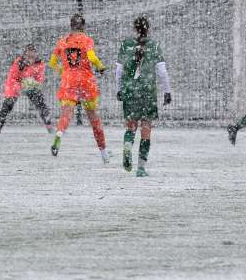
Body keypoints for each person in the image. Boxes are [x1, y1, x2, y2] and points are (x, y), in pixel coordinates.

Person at [115, 16, 171, 177]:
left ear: (134, 29)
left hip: (130, 90)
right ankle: (141, 167)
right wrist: (167, 91)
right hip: (147, 92)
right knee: (146, 130)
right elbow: (162, 71)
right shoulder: (154, 46)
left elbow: (118, 71)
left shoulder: (126, 45)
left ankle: (127, 144)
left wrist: (119, 89)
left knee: (131, 127)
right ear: (148, 29)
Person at [49, 13, 108, 162]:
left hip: (69, 80)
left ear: (71, 26)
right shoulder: (86, 40)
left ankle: (59, 134)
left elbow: (52, 63)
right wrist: (100, 67)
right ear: (83, 26)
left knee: (66, 113)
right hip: (85, 80)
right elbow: (92, 57)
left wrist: (64, 72)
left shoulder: (63, 41)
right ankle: (103, 152)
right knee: (94, 117)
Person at [0, 44, 53, 134]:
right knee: (8, 104)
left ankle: (50, 127)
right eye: (28, 55)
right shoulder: (19, 62)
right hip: (15, 84)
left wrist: (34, 84)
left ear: (36, 55)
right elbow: (13, 77)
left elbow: (40, 78)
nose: (30, 57)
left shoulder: (40, 64)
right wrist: (18, 86)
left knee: (41, 103)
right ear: (24, 54)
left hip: (30, 86)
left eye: (33, 54)